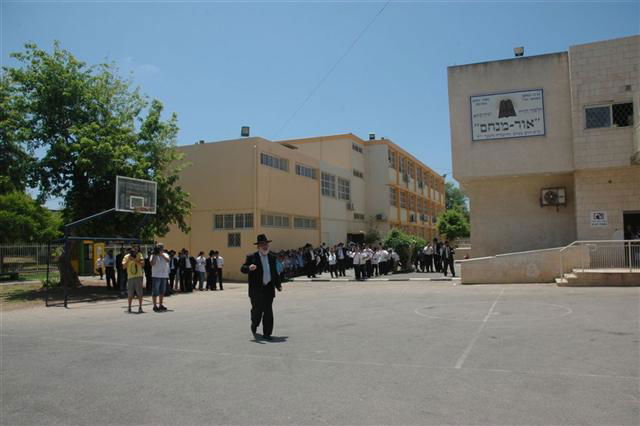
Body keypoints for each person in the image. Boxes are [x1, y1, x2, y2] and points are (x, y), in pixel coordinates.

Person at [241, 234, 282, 341]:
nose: (265, 246)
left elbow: (275, 272)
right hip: (256, 289)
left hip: (268, 288)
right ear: (258, 246)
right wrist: (249, 268)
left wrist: (278, 285)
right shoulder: (251, 257)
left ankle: (267, 333)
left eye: (266, 244)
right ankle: (254, 323)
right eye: (262, 244)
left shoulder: (272, 257)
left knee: (268, 311)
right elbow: (243, 268)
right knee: (257, 311)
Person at [122, 245, 145, 313]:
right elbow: (123, 267)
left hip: (138, 276)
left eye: (137, 250)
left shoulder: (139, 255)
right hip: (130, 277)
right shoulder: (126, 256)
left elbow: (142, 264)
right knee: (130, 293)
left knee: (139, 293)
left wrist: (134, 259)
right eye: (134, 250)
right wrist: (129, 259)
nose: (135, 251)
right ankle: (129, 307)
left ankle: (140, 307)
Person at [150, 244, 170, 312]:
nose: (160, 249)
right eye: (159, 248)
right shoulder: (153, 255)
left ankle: (160, 305)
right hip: (156, 275)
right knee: (155, 291)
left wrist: (162, 255)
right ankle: (155, 305)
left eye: (161, 248)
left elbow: (168, 260)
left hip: (164, 275)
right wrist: (155, 255)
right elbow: (152, 263)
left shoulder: (165, 254)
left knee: (162, 291)